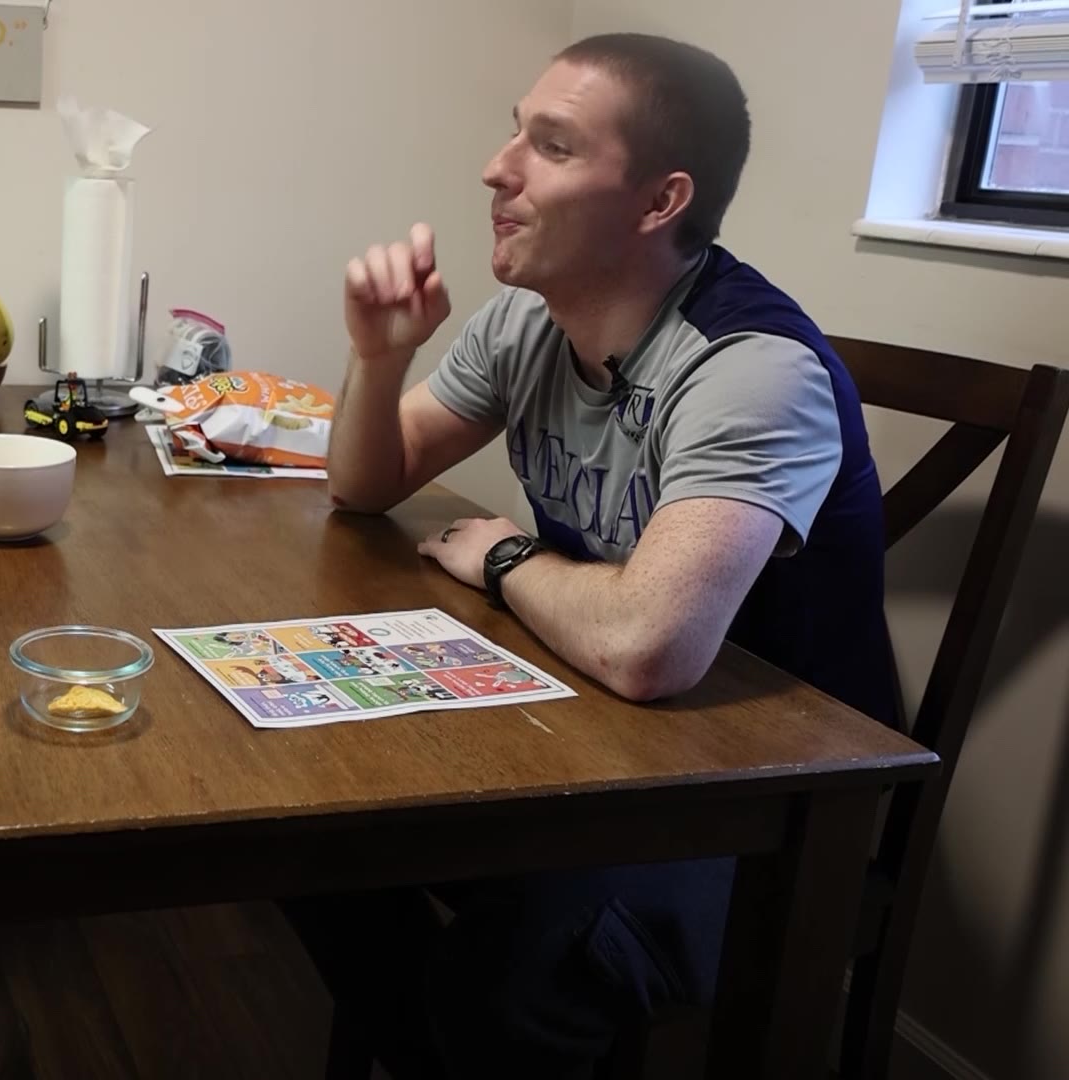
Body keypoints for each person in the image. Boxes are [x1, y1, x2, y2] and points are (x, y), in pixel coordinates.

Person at [305, 32, 895, 1078]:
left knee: (516, 973)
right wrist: (379, 353)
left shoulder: (752, 370)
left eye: (553, 145)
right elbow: (365, 482)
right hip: (603, 743)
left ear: (660, 201)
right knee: (310, 838)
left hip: (773, 800)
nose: (499, 166)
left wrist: (502, 556)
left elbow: (646, 648)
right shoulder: (528, 324)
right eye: (514, 131)